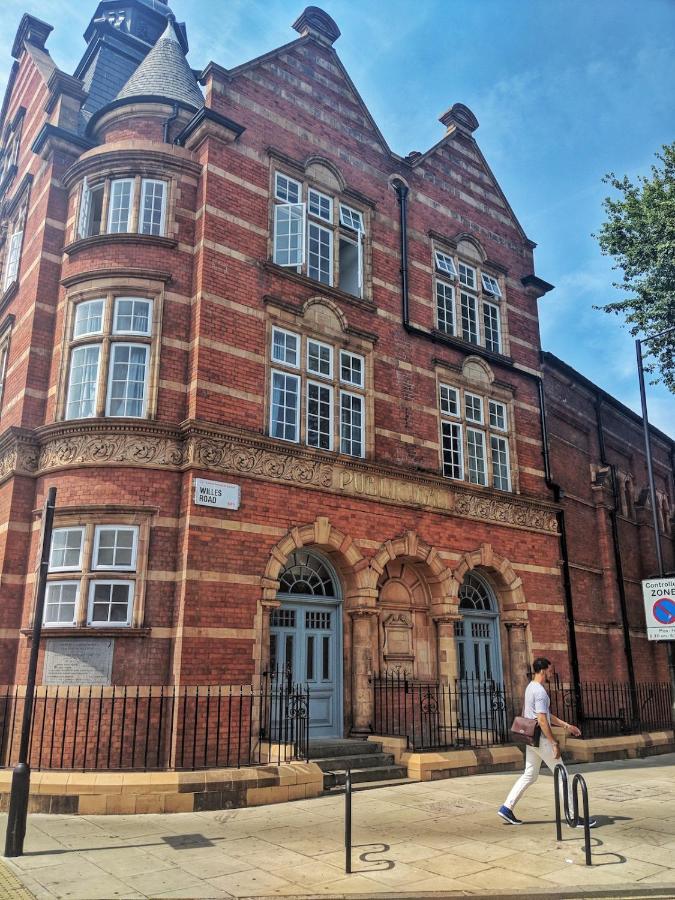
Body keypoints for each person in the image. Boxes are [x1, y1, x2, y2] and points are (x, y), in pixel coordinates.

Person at [498, 657, 596, 827]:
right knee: (561, 774)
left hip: (531, 739)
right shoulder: (540, 692)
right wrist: (554, 743)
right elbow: (542, 719)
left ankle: (507, 808)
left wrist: (567, 726)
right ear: (543, 670)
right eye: (550, 670)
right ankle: (573, 817)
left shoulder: (530, 687)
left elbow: (545, 714)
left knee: (530, 774)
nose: (551, 672)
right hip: (541, 739)